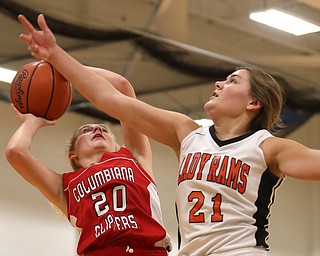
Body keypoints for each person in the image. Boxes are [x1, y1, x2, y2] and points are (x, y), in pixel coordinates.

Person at [17, 13, 320, 256]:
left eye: (231, 81)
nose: (218, 83)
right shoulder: (186, 132)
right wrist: (55, 55)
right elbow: (112, 100)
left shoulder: (268, 147)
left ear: (253, 102)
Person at [6, 64, 172, 256]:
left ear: (116, 145)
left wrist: (64, 67)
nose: (98, 130)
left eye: (104, 129)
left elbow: (122, 85)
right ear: (73, 154)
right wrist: (31, 122)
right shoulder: (64, 187)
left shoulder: (135, 158)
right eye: (86, 130)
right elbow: (15, 152)